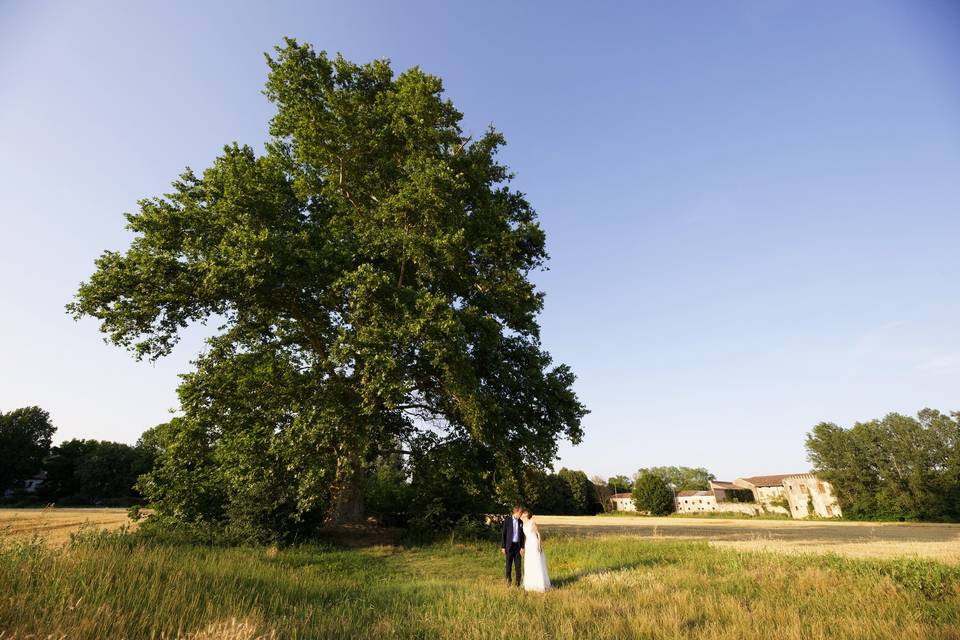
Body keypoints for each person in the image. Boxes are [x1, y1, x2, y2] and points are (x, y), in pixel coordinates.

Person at [520, 508, 551, 592]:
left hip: (534, 543)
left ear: (526, 514)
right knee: (529, 563)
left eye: (522, 513)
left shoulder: (532, 522)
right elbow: (526, 537)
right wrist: (524, 547)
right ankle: (530, 585)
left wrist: (539, 544)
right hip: (528, 544)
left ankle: (539, 584)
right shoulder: (523, 524)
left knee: (536, 562)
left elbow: (538, 534)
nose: (521, 514)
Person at [500, 505, 526, 586]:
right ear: (516, 512)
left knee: (518, 566)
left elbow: (522, 536)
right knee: (508, 566)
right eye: (520, 513)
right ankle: (508, 581)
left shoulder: (521, 522)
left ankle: (518, 583)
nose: (521, 515)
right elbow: (503, 534)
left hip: (517, 547)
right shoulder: (507, 520)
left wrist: (522, 547)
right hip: (509, 546)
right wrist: (503, 546)